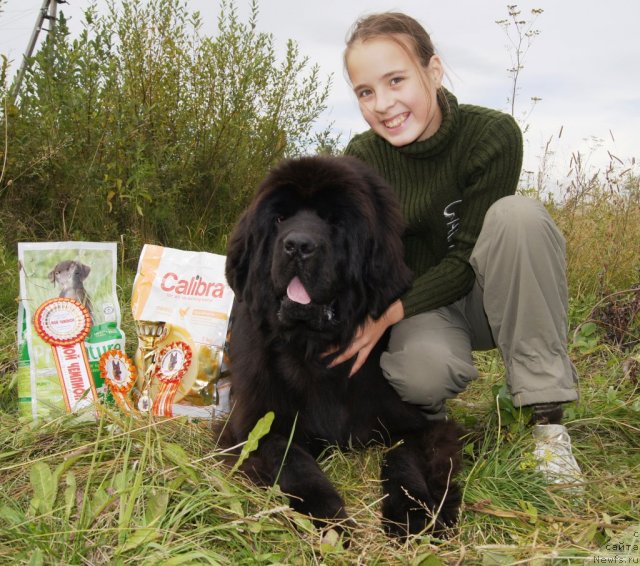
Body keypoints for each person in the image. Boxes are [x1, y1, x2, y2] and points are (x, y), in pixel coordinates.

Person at [331, 11, 582, 486]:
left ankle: (547, 425)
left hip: (491, 292)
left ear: (434, 70)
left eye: (396, 80)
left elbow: (465, 261)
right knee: (420, 373)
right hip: (423, 306)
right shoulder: (360, 158)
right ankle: (427, 412)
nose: (383, 104)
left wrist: (385, 317)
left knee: (518, 216)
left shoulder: (491, 135)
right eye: (365, 91)